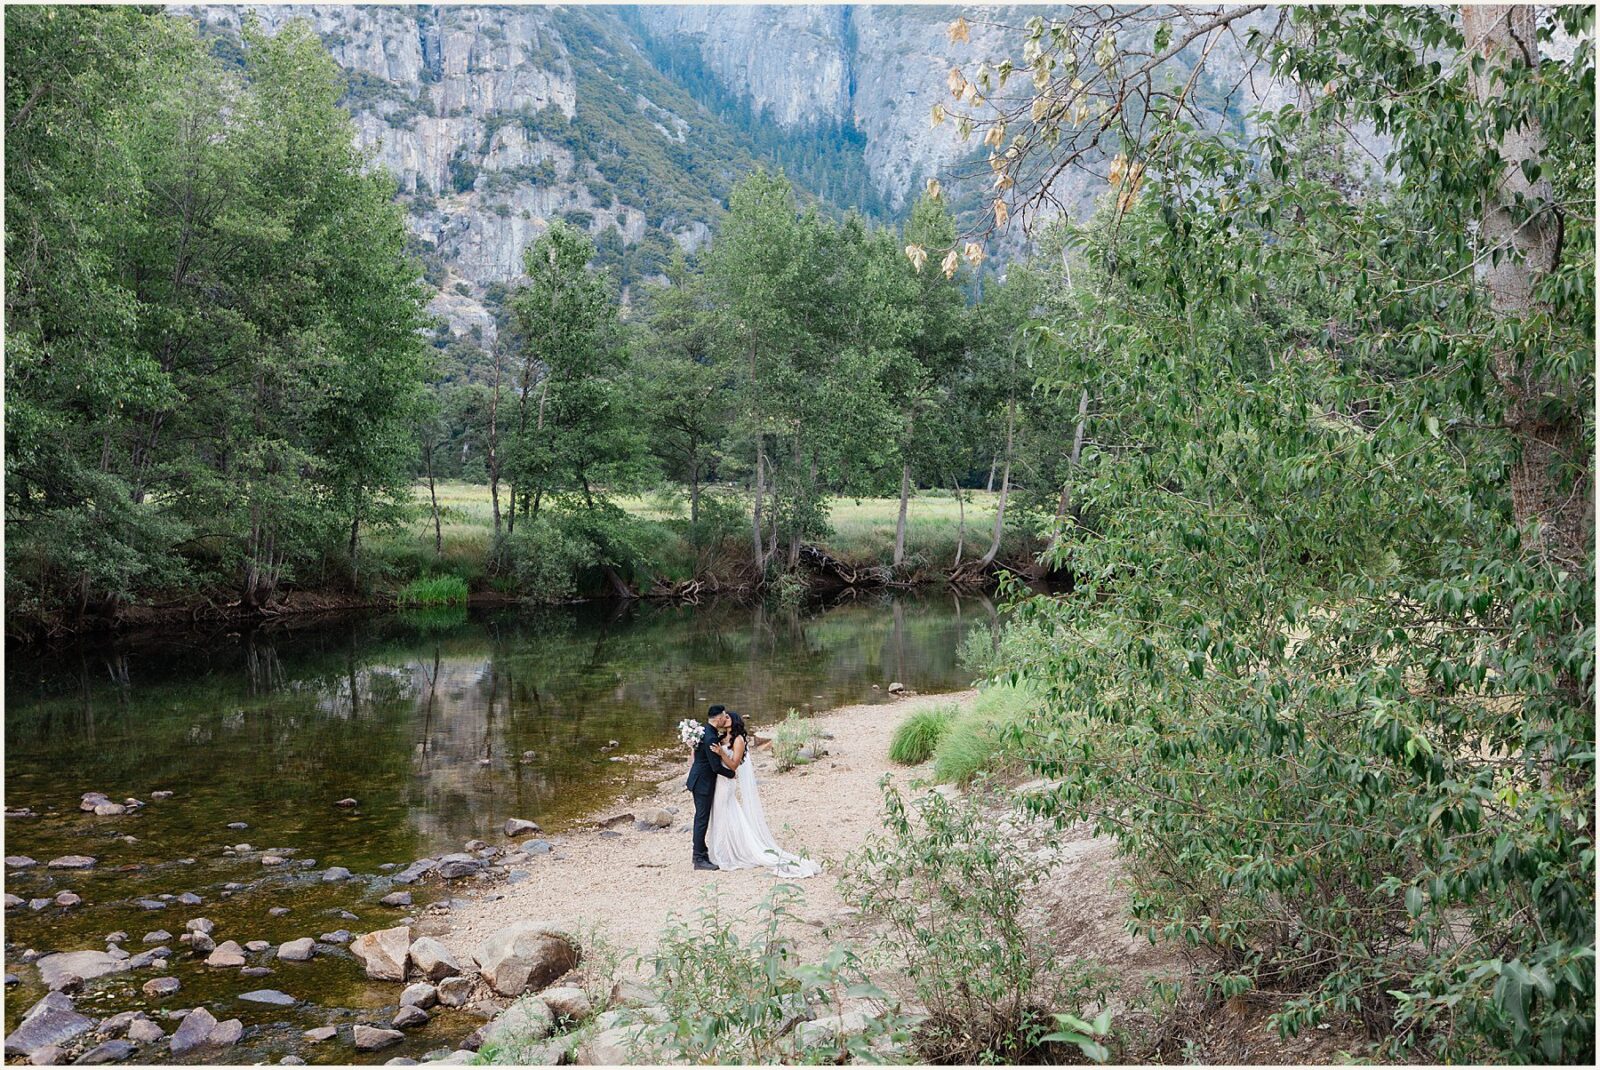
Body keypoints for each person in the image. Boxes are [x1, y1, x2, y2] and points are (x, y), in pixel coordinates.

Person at [706, 710, 822, 878]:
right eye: (724, 717)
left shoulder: (738, 740)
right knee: (721, 814)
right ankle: (724, 849)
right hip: (719, 781)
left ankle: (731, 851)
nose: (725, 719)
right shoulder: (722, 738)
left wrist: (721, 753)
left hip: (727, 782)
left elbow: (734, 765)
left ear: (735, 720)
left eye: (728, 716)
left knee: (725, 812)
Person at [685, 704, 735, 870]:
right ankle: (698, 858)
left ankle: (702, 852)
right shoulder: (710, 737)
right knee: (702, 819)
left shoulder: (705, 730)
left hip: (698, 778)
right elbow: (715, 767)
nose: (725, 719)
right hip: (703, 783)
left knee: (701, 817)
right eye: (724, 716)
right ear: (719, 718)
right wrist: (732, 774)